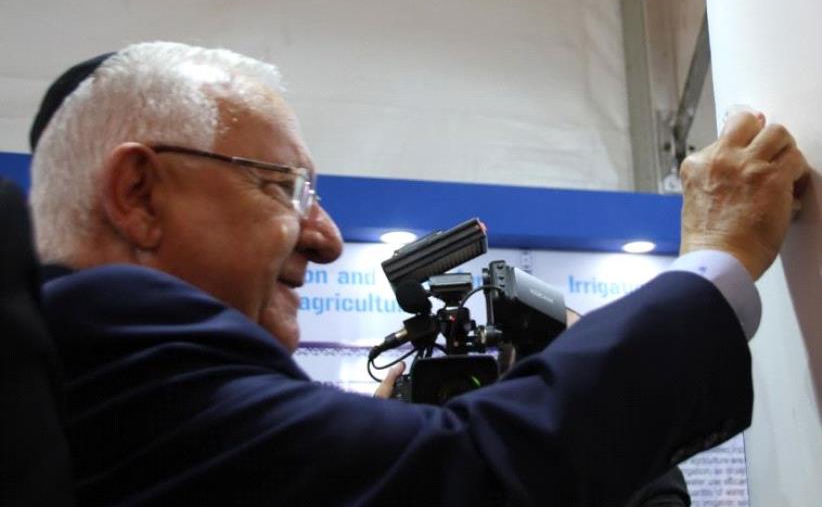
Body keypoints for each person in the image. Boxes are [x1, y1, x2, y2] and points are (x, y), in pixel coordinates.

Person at [28, 42, 807, 506]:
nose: (326, 237)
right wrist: (721, 255)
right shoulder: (111, 338)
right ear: (138, 194)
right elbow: (460, 475)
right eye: (281, 186)